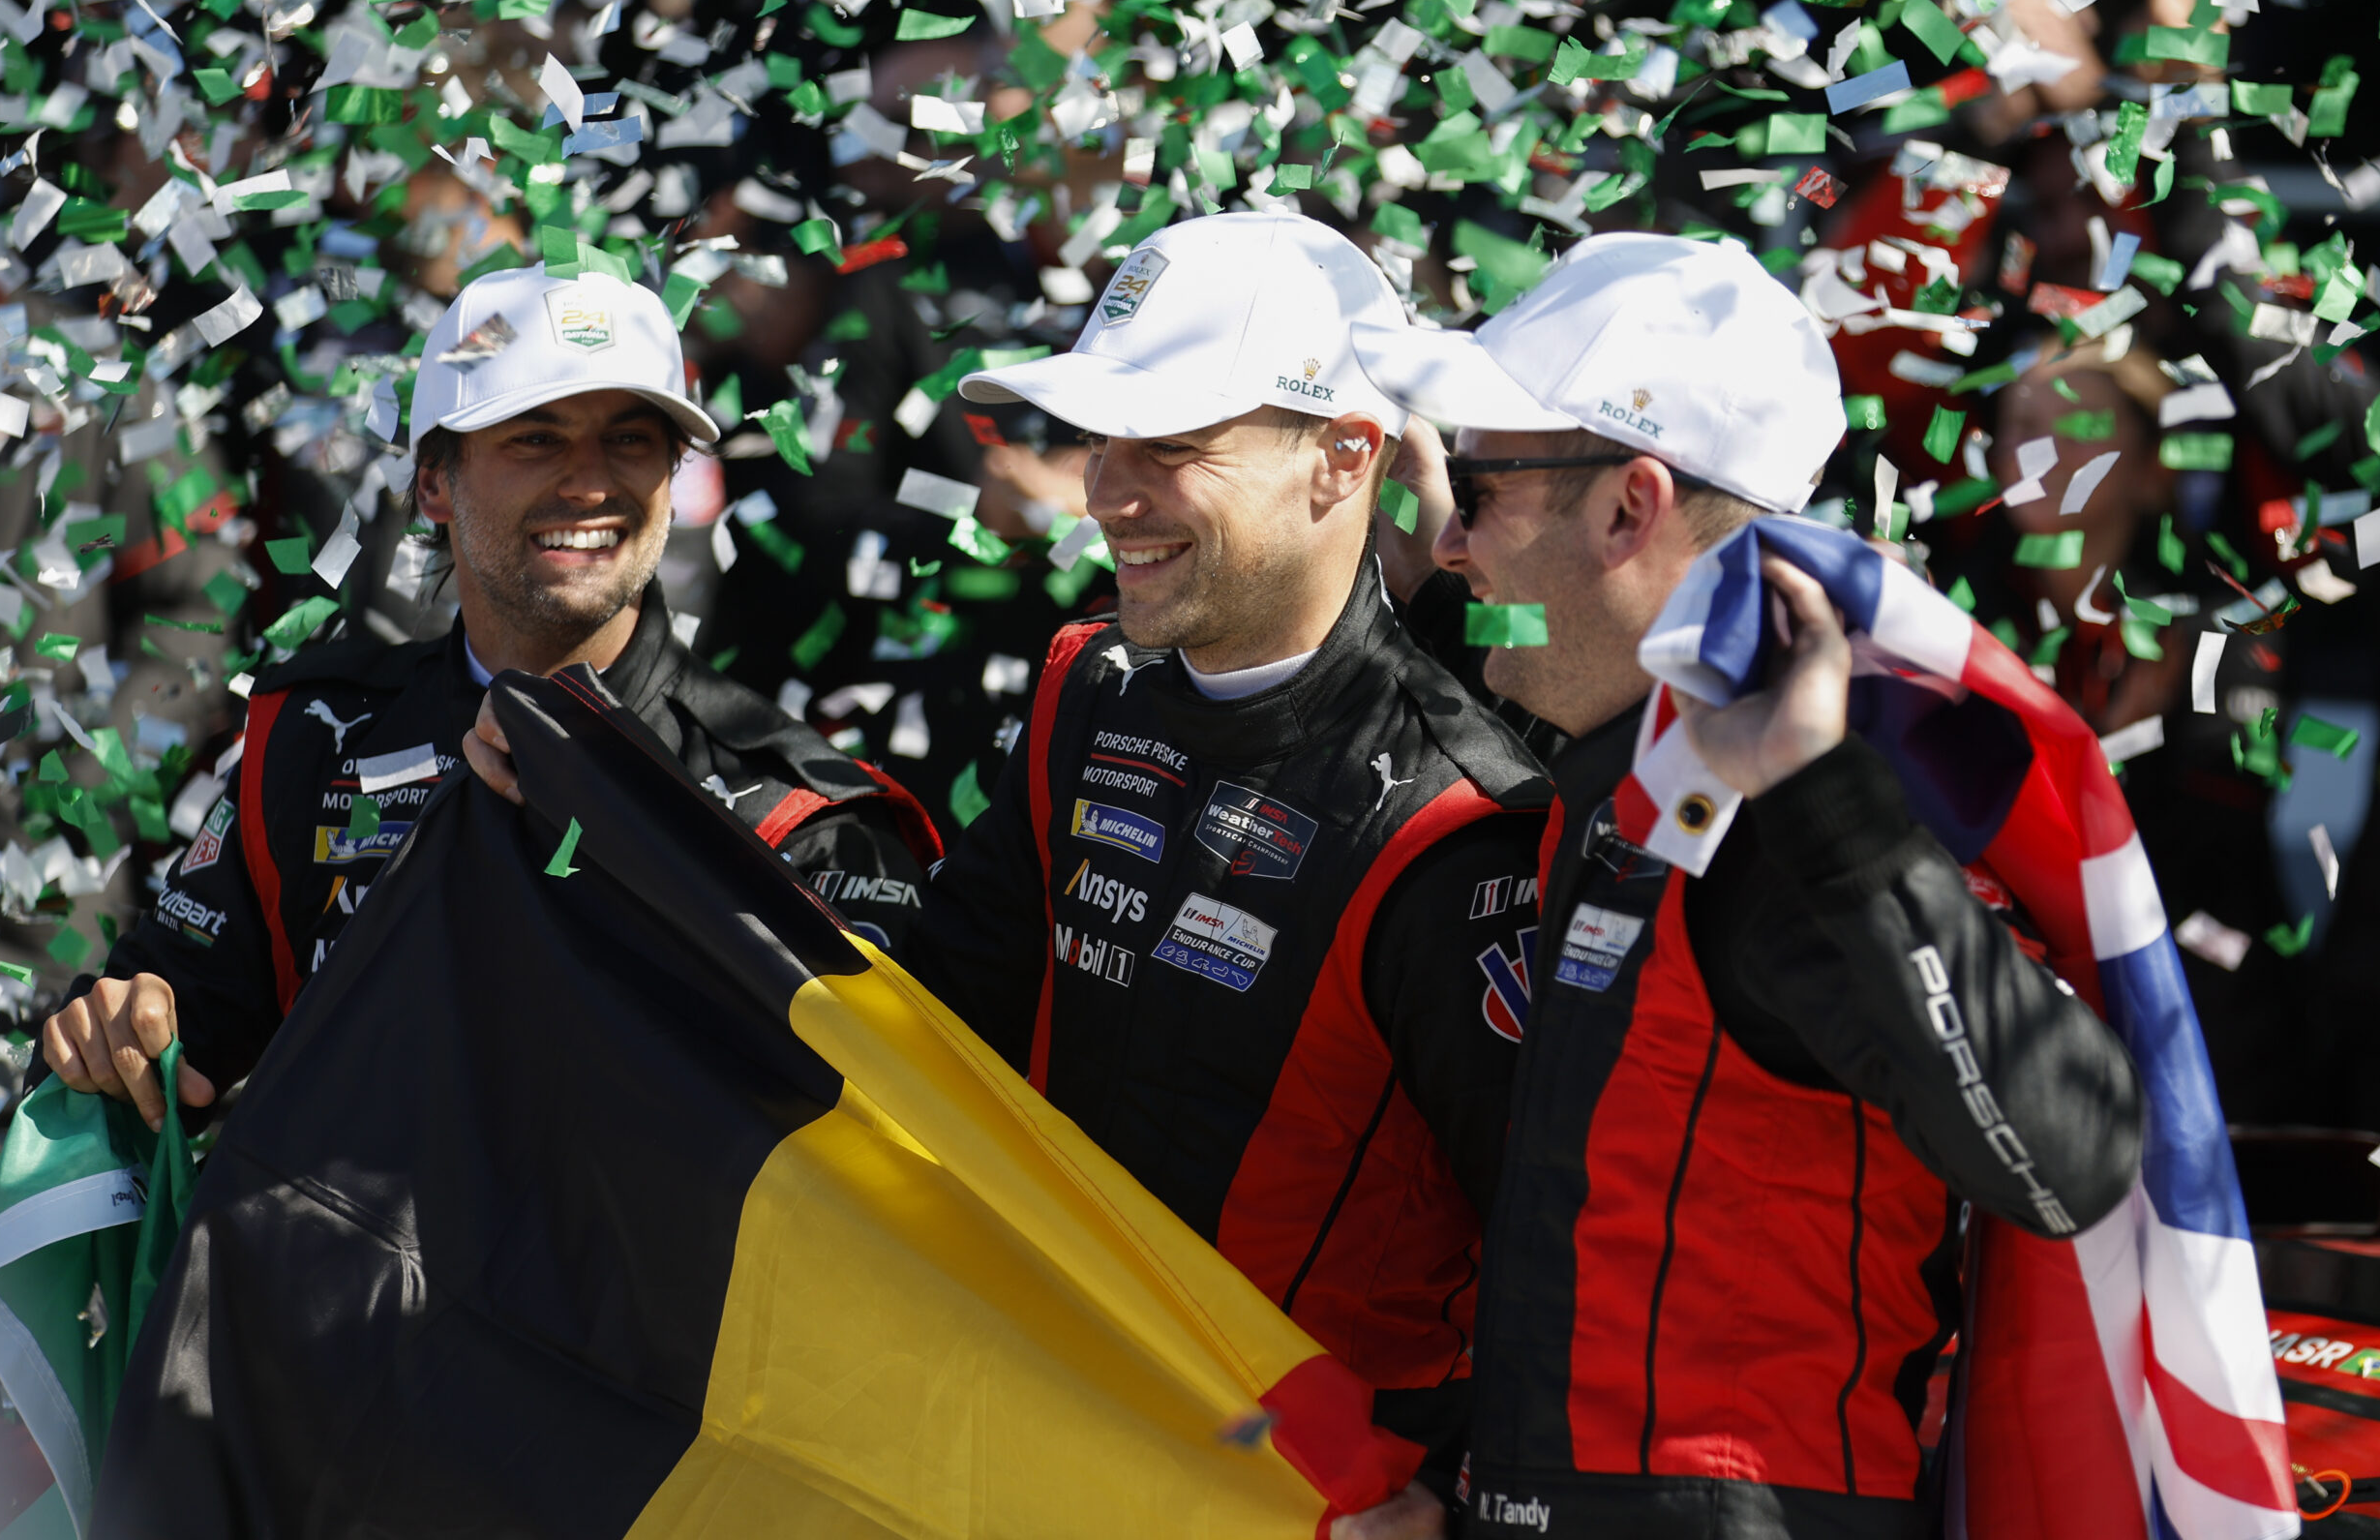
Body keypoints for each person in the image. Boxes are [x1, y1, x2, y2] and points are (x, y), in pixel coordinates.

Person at [1354, 232, 2146, 1538]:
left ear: (1632, 507)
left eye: (1484, 489)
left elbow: (2071, 1164)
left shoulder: (1803, 814)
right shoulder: (1630, 768)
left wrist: (1833, 811)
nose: (1453, 541)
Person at [907, 212, 1556, 1519]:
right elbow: (915, 1017)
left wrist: (1460, 1495)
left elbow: (1557, 1241)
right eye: (1101, 438)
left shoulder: (1459, 821)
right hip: (1040, 1447)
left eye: (1175, 446)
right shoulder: (1086, 689)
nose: (1107, 490)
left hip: (1304, 1499)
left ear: (1343, 460)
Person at [43, 263, 941, 1131]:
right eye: (536, 437)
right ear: (433, 481)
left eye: (631, 439)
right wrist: (125, 1025)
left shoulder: (803, 816)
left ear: (672, 477)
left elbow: (876, 1164)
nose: (591, 482)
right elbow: (174, 1019)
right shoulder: (310, 736)